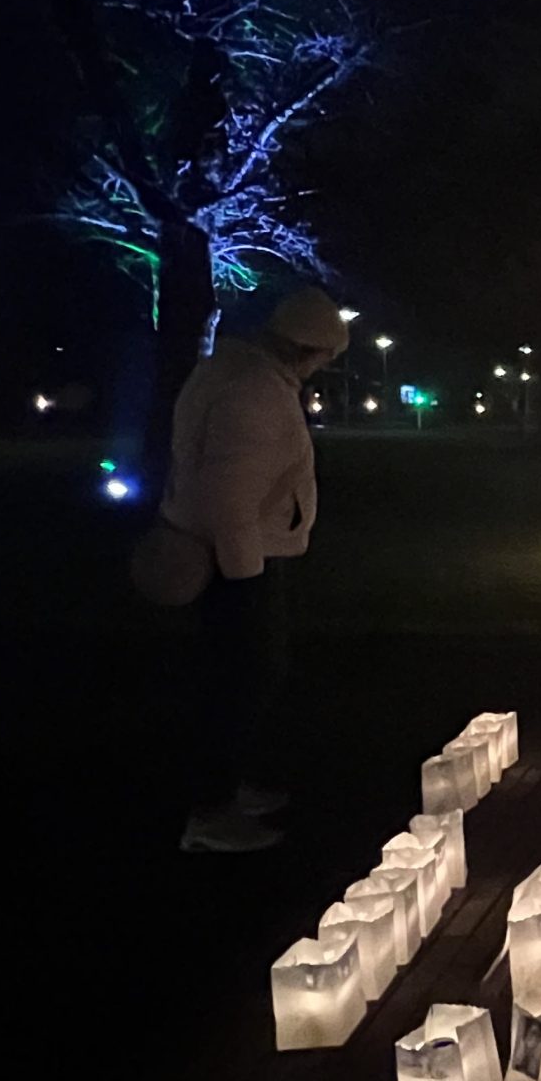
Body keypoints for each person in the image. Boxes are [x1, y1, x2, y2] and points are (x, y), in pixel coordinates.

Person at [166, 286, 349, 852]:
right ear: (305, 350)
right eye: (323, 358)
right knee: (245, 678)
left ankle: (226, 787)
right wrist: (245, 579)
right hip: (241, 561)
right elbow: (231, 497)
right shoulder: (255, 394)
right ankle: (211, 811)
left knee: (239, 677)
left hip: (236, 552)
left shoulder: (232, 372)